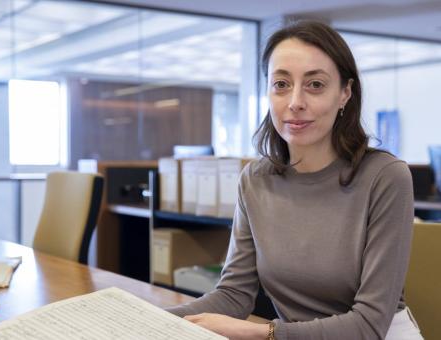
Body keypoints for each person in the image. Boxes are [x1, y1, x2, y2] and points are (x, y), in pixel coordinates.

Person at [166, 20, 423, 340]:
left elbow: (369, 324)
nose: (295, 102)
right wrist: (145, 319)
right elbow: (234, 295)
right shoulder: (256, 180)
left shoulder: (385, 177)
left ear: (345, 93)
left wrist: (264, 332)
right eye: (281, 84)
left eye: (315, 84)